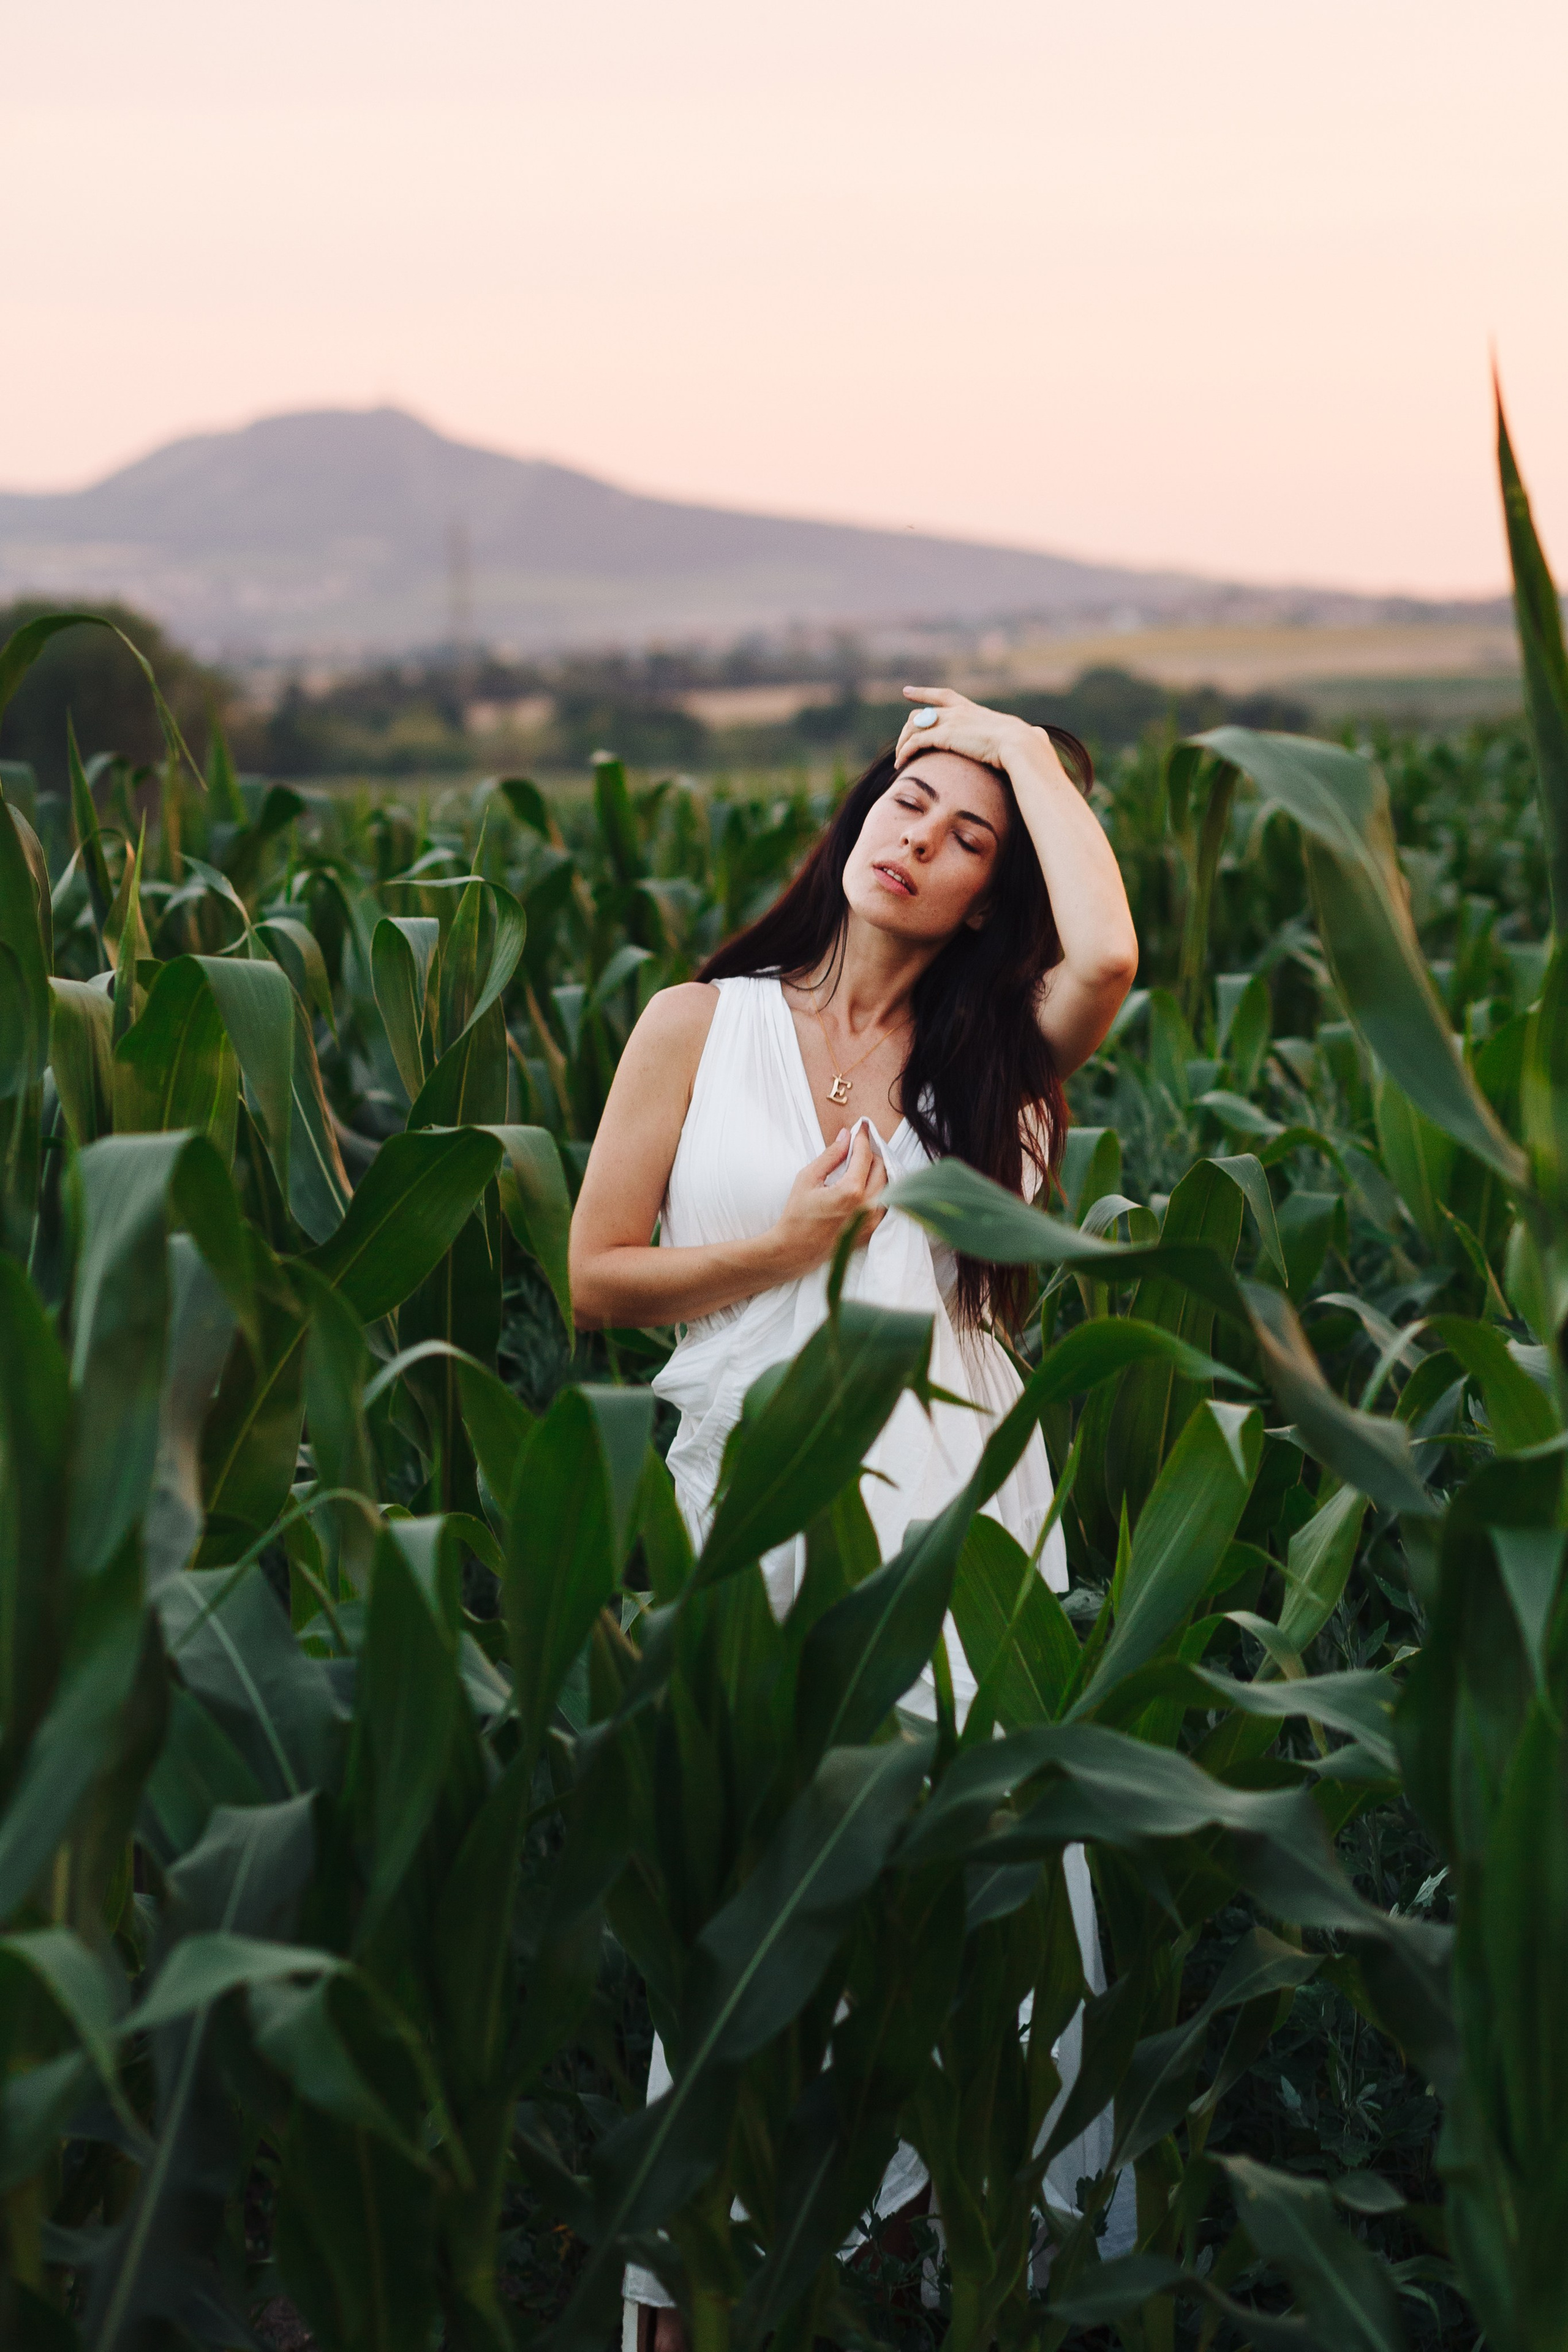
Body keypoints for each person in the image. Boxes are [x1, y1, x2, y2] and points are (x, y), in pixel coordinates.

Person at [568, 687, 1140, 2351]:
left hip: (961, 1520)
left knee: (981, 1890)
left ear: (995, 891)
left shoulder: (1001, 1051)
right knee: (754, 1890)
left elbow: (1107, 961)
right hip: (753, 1503)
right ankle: (705, 2282)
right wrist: (782, 1251)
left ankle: (952, 2267)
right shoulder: (701, 1021)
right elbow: (599, 1280)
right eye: (909, 805)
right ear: (855, 821)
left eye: (973, 838)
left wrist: (1021, 747)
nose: (923, 841)